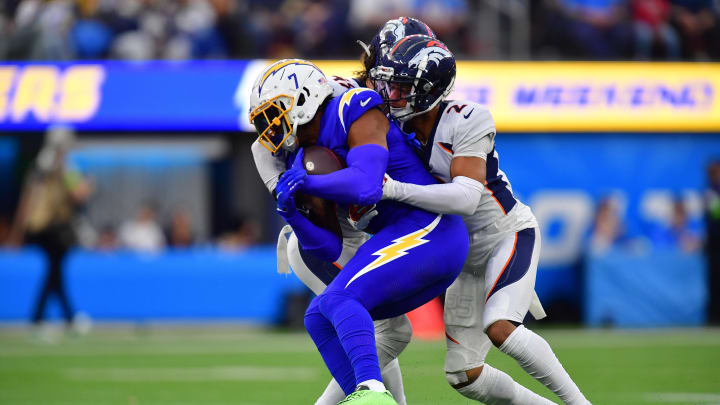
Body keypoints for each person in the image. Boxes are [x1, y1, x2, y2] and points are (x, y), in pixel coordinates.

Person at [371, 34, 591, 404]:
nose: (392, 94)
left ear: (430, 89)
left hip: (505, 234)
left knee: (501, 328)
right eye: (390, 85)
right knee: (464, 375)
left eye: (402, 87)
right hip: (461, 257)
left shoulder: (468, 118)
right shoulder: (400, 130)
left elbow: (466, 197)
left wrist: (393, 190)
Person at [248, 58, 469, 405]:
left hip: (431, 227)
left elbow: (367, 186)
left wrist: (311, 183)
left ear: (305, 98)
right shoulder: (301, 157)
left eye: (275, 113)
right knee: (318, 316)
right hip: (398, 234)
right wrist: (293, 215)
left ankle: (372, 394)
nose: (270, 128)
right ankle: (366, 399)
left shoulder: (353, 108)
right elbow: (328, 248)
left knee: (339, 299)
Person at [8, 126, 92, 329]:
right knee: (54, 272)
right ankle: (55, 317)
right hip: (51, 228)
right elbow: (78, 194)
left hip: (48, 227)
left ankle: (53, 316)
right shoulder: (54, 167)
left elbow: (28, 200)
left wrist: (18, 231)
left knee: (54, 272)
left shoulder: (49, 166)